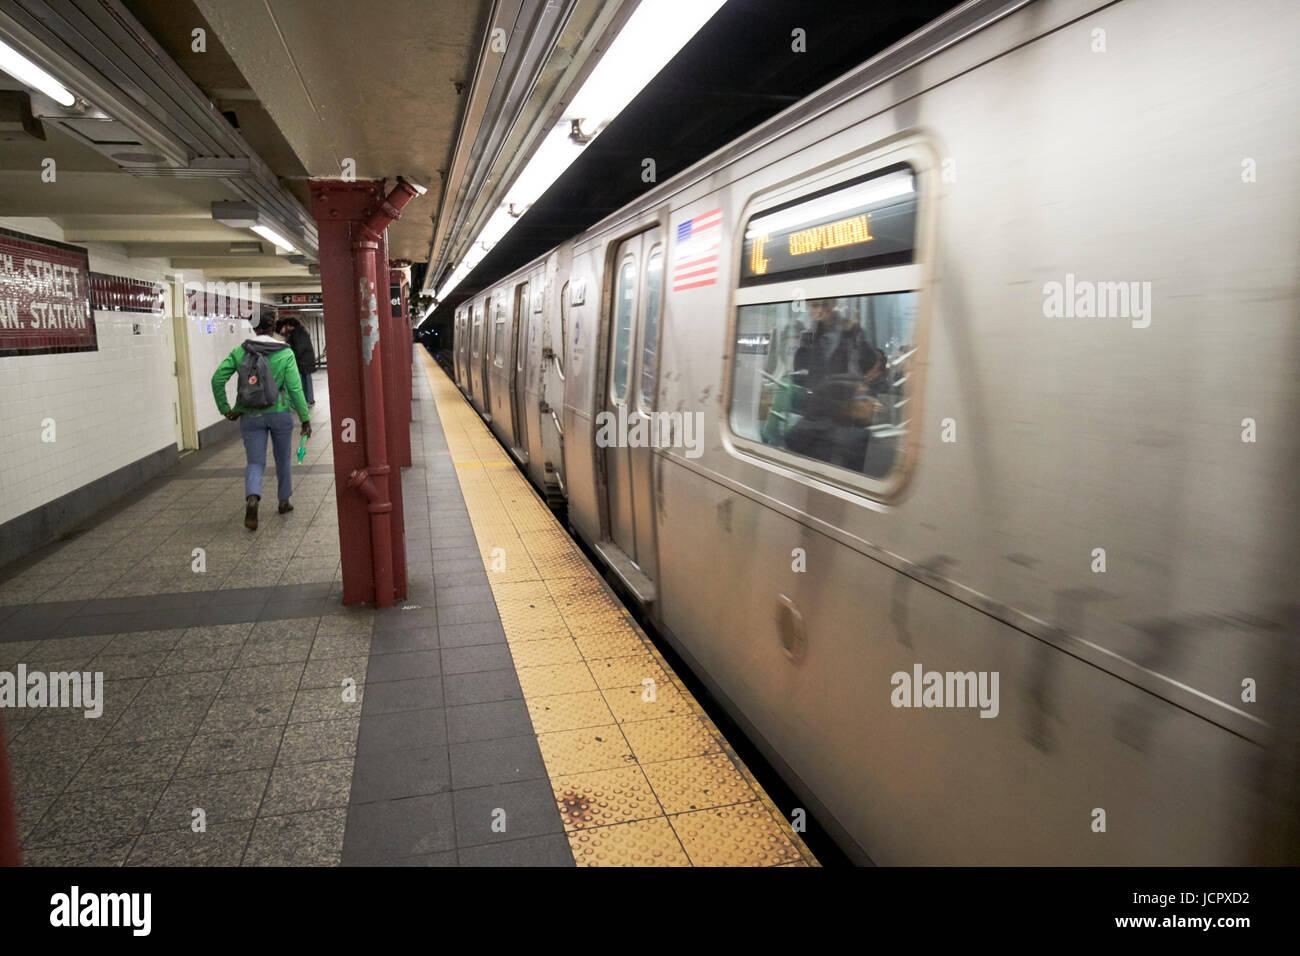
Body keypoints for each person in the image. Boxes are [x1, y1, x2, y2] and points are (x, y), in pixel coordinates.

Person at [212, 313, 311, 530]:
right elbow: (295, 388)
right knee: (283, 458)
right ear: (273, 326)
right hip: (280, 413)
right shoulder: (285, 352)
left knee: (255, 462)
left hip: (250, 415)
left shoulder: (241, 351)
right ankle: (284, 501)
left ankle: (252, 497)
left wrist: (226, 409)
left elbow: (217, 378)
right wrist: (305, 418)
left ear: (253, 328)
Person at [786, 297, 886, 472]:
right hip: (816, 411)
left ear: (833, 305)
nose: (821, 311)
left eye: (825, 305)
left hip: (843, 412)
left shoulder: (851, 331)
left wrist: (856, 335)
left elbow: (869, 363)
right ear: (809, 309)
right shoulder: (810, 337)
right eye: (815, 306)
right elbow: (800, 368)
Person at [277, 315, 318, 406]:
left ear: (290, 326)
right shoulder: (300, 331)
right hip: (305, 360)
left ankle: (308, 400)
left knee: (304, 381)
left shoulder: (297, 333)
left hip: (303, 361)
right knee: (305, 380)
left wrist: (292, 356)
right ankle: (308, 400)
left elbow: (300, 348)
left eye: (286, 326)